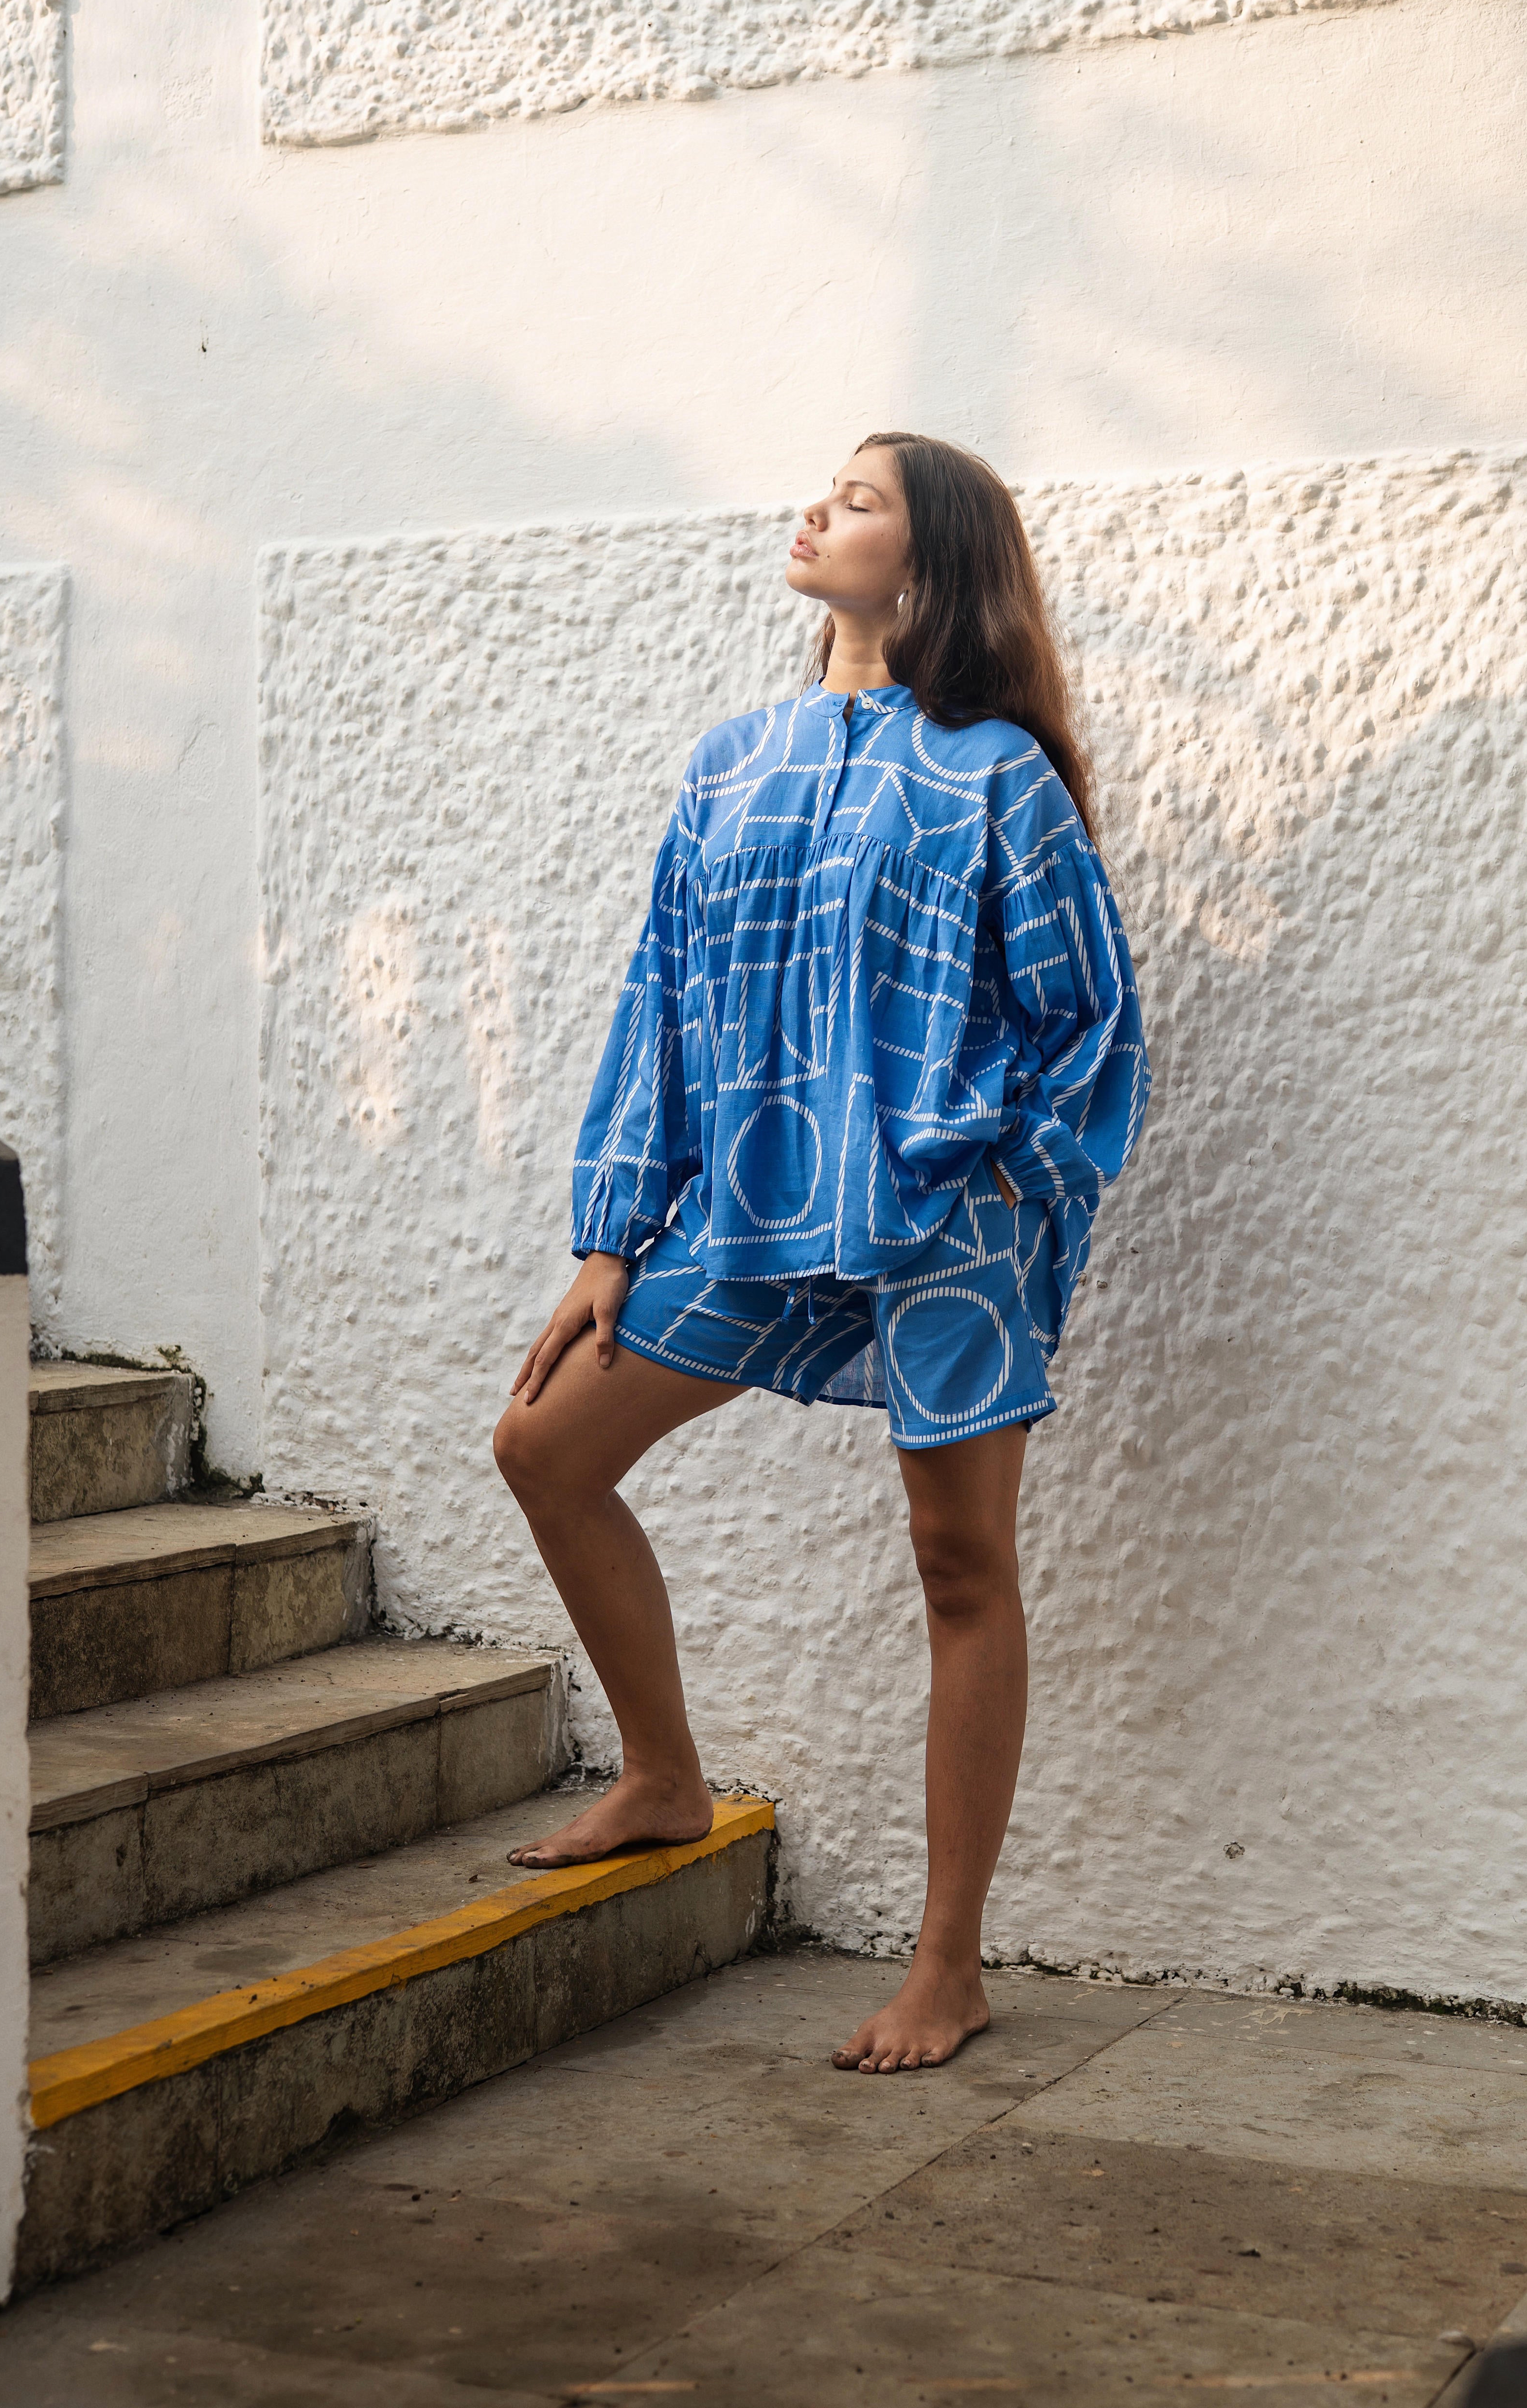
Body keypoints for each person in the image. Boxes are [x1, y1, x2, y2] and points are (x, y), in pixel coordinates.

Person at [493, 431, 1149, 2072]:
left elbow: (1089, 1023)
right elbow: (661, 995)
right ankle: (664, 1778)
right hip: (746, 1207)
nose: (816, 510)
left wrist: (997, 1169)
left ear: (929, 561)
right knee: (544, 1446)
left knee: (959, 1561)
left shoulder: (995, 774)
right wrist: (614, 1230)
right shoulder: (732, 763)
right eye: (827, 490)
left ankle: (948, 1961)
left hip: (943, 1217)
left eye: (858, 501)